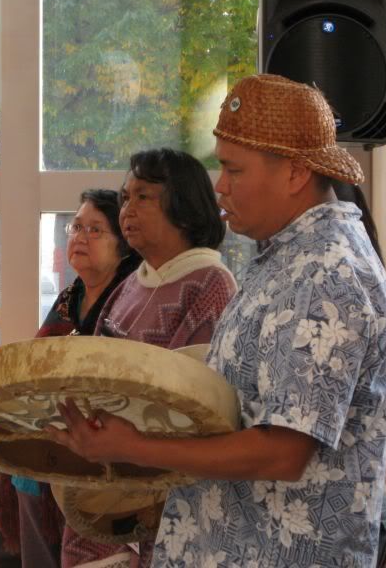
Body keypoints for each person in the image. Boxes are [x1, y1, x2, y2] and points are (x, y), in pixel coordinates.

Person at [48, 75, 386, 567]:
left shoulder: (328, 273)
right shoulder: (284, 258)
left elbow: (283, 453)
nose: (220, 187)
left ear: (296, 173)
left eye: (234, 170)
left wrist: (136, 447)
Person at [60, 148, 238, 568]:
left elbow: (195, 404)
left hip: (165, 499)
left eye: (143, 197)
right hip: (105, 479)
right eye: (125, 197)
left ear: (184, 203)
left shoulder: (211, 283)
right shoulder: (130, 284)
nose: (127, 209)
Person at [0, 189, 141, 568]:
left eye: (95, 229)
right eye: (76, 226)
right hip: (41, 445)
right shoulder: (68, 297)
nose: (79, 237)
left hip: (93, 458)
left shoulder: (128, 300)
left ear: (123, 246)